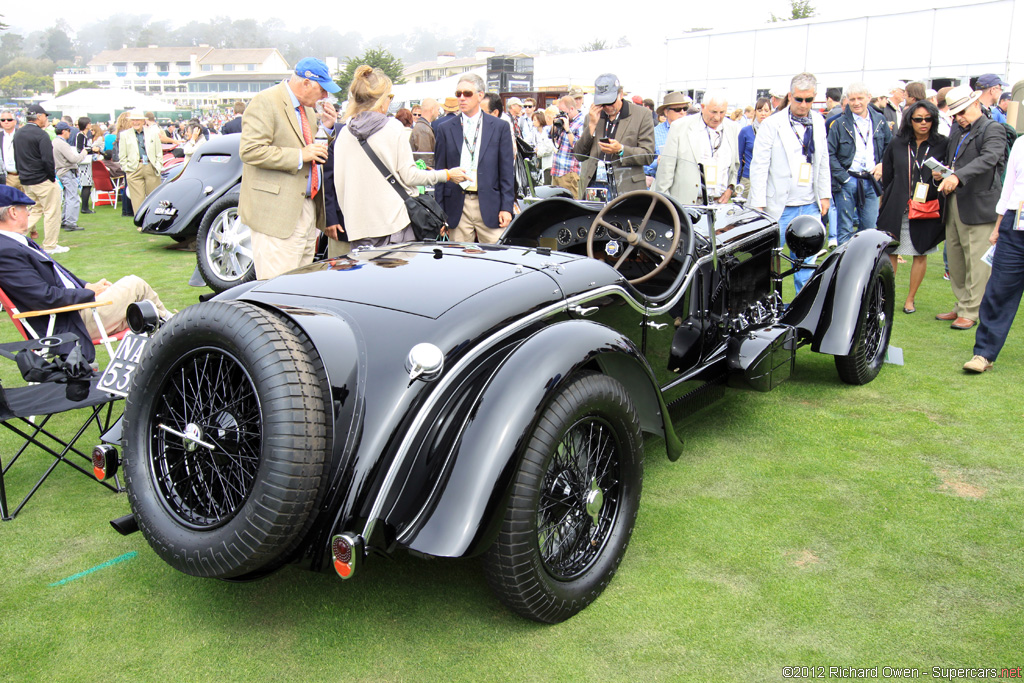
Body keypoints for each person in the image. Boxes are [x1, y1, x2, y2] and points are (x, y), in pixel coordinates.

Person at [0, 186, 170, 363]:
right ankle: (179, 330)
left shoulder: (15, 242)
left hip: (74, 311)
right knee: (135, 285)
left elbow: (58, 276)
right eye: (25, 209)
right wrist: (89, 294)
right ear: (13, 212)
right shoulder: (6, 250)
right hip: (68, 321)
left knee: (143, 313)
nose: (29, 213)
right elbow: (43, 297)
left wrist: (88, 286)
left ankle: (173, 341)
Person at [334, 66, 467, 249]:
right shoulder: (392, 128)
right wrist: (447, 174)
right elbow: (410, 176)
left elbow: (339, 185)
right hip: (394, 224)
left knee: (366, 277)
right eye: (390, 97)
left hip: (358, 228)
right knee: (398, 277)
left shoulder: (344, 133)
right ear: (382, 100)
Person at [238, 57, 339, 280]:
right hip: (276, 214)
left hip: (306, 207)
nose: (325, 97)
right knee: (276, 289)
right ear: (305, 83)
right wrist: (299, 156)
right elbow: (250, 150)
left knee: (298, 286)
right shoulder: (266, 101)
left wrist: (326, 128)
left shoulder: (308, 111)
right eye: (322, 90)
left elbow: (312, 149)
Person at [749, 72, 832, 294]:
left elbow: (823, 160)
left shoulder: (819, 121)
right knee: (766, 262)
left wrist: (825, 194)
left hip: (809, 204)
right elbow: (759, 166)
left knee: (806, 264)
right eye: (799, 99)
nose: (804, 104)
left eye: (809, 100)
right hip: (778, 206)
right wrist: (758, 203)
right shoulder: (772, 124)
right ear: (790, 96)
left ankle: (802, 313)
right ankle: (766, 310)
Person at [934, 85, 1007, 330]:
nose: (959, 117)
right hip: (954, 200)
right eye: (955, 113)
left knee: (977, 260)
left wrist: (957, 176)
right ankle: (962, 303)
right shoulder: (957, 129)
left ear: (976, 104)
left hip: (979, 203)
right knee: (955, 258)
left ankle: (972, 310)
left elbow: (989, 158)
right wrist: (942, 173)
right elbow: (953, 161)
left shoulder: (993, 128)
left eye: (962, 111)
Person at [877, 100, 948, 314]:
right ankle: (886, 297)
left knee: (921, 251)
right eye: (918, 119)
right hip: (896, 205)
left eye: (928, 119)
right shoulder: (897, 143)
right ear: (910, 121)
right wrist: (890, 197)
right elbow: (888, 174)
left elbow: (948, 174)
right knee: (892, 250)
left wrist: (940, 176)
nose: (923, 123)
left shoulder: (942, 143)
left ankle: (910, 299)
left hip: (926, 205)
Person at [963, 135, 1024, 373]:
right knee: (998, 291)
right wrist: (998, 226)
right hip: (1014, 223)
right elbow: (1009, 184)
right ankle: (983, 354)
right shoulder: (1021, 143)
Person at [434, 73, 514, 243]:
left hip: (490, 205)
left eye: (467, 93)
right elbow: (440, 172)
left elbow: (507, 171)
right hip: (457, 206)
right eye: (458, 94)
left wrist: (506, 208)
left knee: (496, 259)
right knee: (461, 264)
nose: (462, 98)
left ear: (480, 95)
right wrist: (440, 214)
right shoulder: (445, 129)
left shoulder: (500, 127)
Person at [826, 82, 891, 245]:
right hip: (848, 180)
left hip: (871, 180)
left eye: (860, 98)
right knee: (845, 229)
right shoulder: (839, 124)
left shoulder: (880, 120)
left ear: (869, 98)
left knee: (869, 228)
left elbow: (890, 147)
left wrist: (883, 164)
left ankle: (864, 267)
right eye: (852, 99)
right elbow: (829, 154)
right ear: (847, 100)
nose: (856, 103)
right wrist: (843, 178)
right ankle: (843, 268)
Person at [574, 73, 655, 198]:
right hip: (595, 186)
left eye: (611, 102)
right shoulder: (593, 116)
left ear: (621, 94)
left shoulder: (642, 115)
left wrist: (621, 150)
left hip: (626, 186)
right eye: (603, 103)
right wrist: (592, 126)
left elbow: (648, 155)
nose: (607, 107)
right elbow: (579, 155)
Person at [655, 91, 739, 204]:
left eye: (722, 112)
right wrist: (664, 205)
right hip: (687, 205)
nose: (717, 117)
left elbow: (735, 165)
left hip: (719, 204)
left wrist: (730, 188)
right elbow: (666, 170)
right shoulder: (680, 127)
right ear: (703, 108)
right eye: (713, 112)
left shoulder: (732, 128)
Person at [13, 104, 65, 254]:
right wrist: (51, 178)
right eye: (45, 116)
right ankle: (50, 245)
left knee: (34, 210)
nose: (46, 119)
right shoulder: (41, 135)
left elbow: (17, 157)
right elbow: (48, 160)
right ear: (39, 116)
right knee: (51, 212)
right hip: (42, 179)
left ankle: (16, 236)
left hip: (26, 179)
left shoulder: (19, 133)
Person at [118, 110, 163, 209]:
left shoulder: (152, 133)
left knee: (154, 200)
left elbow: (159, 152)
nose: (135, 122)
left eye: (138, 120)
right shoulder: (125, 135)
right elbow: (122, 155)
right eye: (133, 120)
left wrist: (158, 166)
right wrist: (127, 169)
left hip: (151, 167)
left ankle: (153, 223)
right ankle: (140, 225)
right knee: (137, 202)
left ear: (143, 121)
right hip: (134, 169)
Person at [644, 91, 690, 184]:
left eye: (685, 109)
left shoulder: (694, 131)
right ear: (666, 112)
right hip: (663, 187)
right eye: (677, 109)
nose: (682, 112)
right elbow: (644, 165)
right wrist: (657, 163)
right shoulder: (654, 133)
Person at [52, 121, 89, 232]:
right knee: (73, 197)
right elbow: (73, 159)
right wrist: (84, 153)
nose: (69, 133)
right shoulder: (62, 143)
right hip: (67, 171)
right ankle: (71, 222)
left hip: (61, 171)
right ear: (64, 131)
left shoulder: (55, 142)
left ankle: (65, 220)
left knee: (68, 197)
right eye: (68, 131)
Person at [550, 95, 585, 199]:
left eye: (563, 112)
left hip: (569, 172)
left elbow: (578, 146)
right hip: (556, 170)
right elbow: (550, 136)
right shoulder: (565, 120)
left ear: (572, 109)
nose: (562, 114)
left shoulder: (581, 122)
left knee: (570, 204)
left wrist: (568, 129)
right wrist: (555, 124)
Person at [737, 97, 771, 199]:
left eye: (766, 111)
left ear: (770, 112)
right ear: (755, 112)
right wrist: (737, 181)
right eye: (760, 110)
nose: (763, 114)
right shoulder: (746, 131)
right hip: (748, 178)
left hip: (767, 178)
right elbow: (738, 157)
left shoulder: (774, 132)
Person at [410, 97, 438, 168]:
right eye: (438, 110)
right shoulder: (423, 129)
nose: (438, 113)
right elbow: (425, 160)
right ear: (432, 110)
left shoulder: (423, 127)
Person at [1, 110, 19, 190]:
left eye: (9, 120)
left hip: (24, 176)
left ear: (15, 122)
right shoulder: (1, 137)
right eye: (3, 120)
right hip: (8, 177)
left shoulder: (21, 135)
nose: (6, 122)